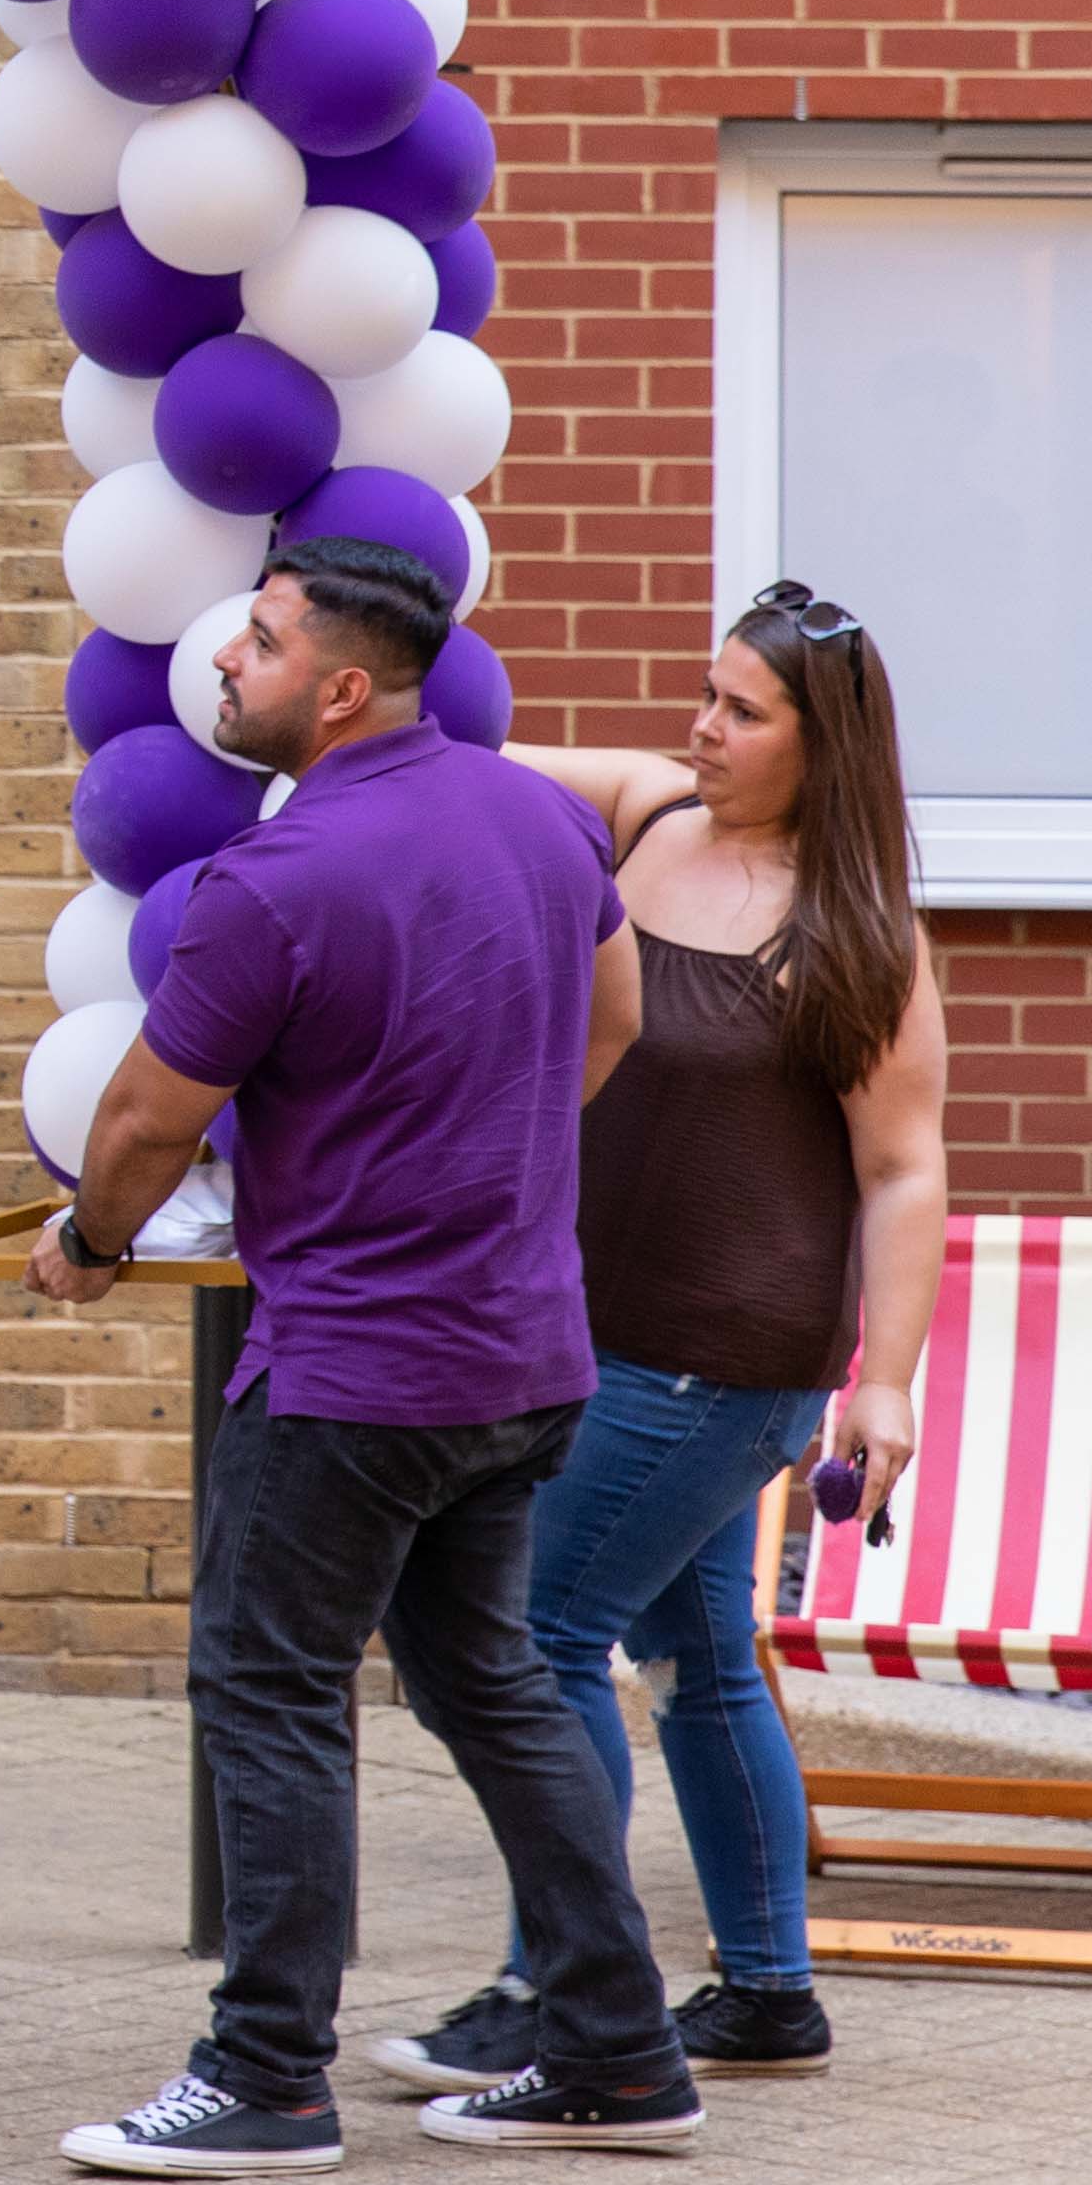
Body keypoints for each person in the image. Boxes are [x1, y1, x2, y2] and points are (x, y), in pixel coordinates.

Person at [33, 534, 694, 2177]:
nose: (221, 668)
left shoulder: (277, 879)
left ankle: (266, 2075)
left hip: (350, 1373)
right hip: (523, 1350)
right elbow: (612, 1024)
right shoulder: (541, 819)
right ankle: (618, 2051)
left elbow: (141, 1117)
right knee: (493, 1685)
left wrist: (92, 1244)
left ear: (338, 684)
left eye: (254, 645)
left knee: (268, 1690)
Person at [368, 576, 949, 2096]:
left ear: (824, 748)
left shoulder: (855, 931)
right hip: (597, 1327)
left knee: (537, 1637)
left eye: (742, 714)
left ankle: (557, 1991)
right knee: (699, 1652)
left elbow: (902, 1170)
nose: (701, 728)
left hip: (721, 1357)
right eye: (705, 695)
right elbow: (452, 751)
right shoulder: (642, 813)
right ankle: (764, 1992)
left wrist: (884, 1381)